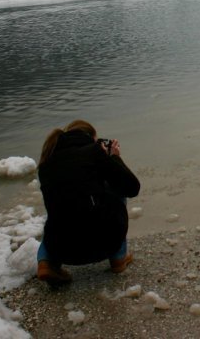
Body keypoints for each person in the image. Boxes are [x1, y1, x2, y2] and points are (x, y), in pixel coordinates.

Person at [36, 119, 140, 285]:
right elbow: (132, 188)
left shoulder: (45, 164)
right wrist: (114, 159)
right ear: (91, 138)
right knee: (117, 188)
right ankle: (118, 259)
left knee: (57, 208)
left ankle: (46, 263)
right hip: (103, 243)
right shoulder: (93, 152)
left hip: (62, 250)